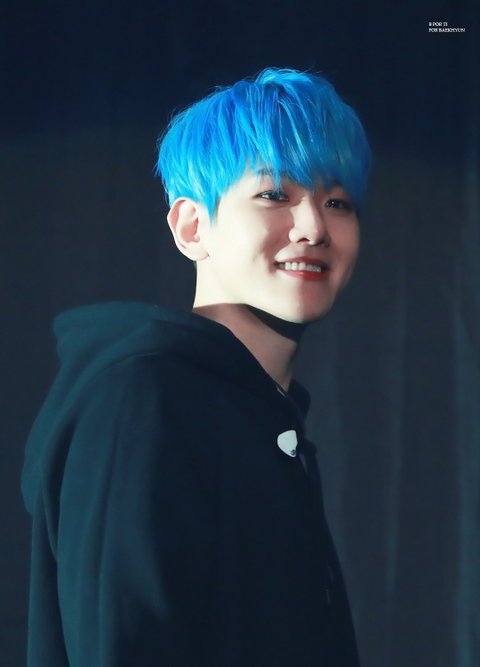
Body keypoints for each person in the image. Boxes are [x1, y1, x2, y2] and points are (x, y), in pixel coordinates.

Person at [22, 67, 371, 666]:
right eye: (274, 195)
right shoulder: (142, 400)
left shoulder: (265, 419)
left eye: (337, 202)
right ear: (192, 227)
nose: (314, 227)